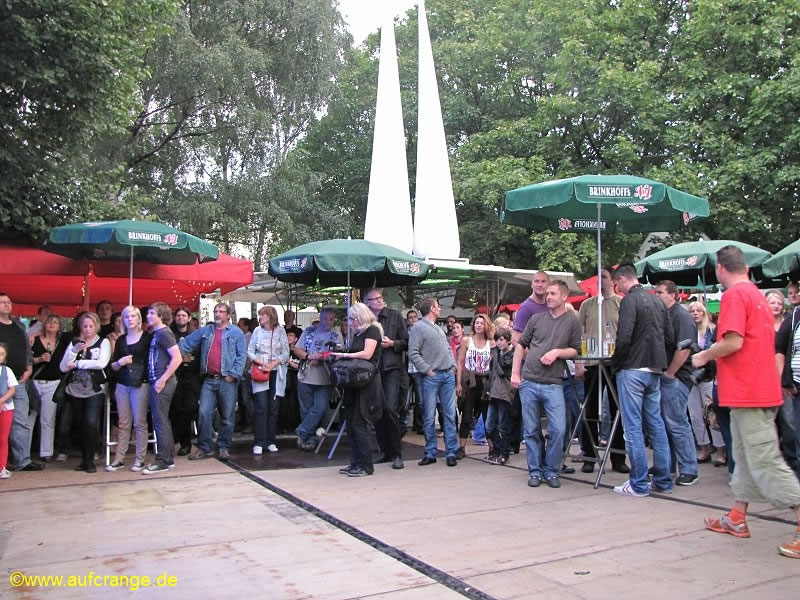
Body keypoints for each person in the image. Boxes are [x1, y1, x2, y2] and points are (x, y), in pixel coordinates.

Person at [694, 245, 800, 558]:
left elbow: (733, 341)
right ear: (746, 268)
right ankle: (737, 517)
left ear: (720, 269)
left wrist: (703, 356)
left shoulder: (735, 295)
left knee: (766, 461)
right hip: (753, 392)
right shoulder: (756, 295)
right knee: (743, 456)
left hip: (750, 393)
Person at [610, 264, 674, 497]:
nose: (616, 288)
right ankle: (663, 480)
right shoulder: (657, 300)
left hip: (633, 368)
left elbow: (623, 337)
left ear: (622, 279)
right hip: (654, 368)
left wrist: (616, 363)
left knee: (633, 427)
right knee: (656, 425)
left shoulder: (630, 300)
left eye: (616, 284)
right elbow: (670, 338)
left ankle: (638, 483)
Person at [511, 279, 581, 489]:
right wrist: (515, 373)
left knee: (558, 429)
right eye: (547, 293)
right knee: (531, 430)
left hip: (554, 382)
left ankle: (551, 470)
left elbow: (576, 349)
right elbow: (520, 345)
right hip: (529, 380)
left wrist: (557, 352)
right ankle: (535, 470)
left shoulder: (572, 321)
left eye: (553, 293)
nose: (548, 297)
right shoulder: (536, 318)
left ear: (564, 297)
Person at [178, 302, 246, 460]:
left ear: (227, 315)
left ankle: (223, 447)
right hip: (209, 380)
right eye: (216, 311)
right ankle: (205, 447)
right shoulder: (206, 331)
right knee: (203, 413)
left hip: (227, 380)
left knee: (227, 416)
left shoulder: (236, 332)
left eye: (221, 311)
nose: (217, 314)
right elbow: (186, 343)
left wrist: (233, 375)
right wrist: (172, 351)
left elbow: (242, 356)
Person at [577, 266, 629, 474]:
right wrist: (579, 362)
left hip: (614, 362)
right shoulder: (587, 305)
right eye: (599, 277)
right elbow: (579, 332)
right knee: (589, 409)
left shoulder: (621, 303)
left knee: (617, 409)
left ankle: (618, 457)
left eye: (605, 277)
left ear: (613, 280)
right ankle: (589, 456)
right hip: (592, 362)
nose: (601, 281)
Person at [330, 302, 385, 477]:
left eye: (353, 319)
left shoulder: (372, 330)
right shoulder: (359, 333)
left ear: (361, 317)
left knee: (359, 424)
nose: (351, 322)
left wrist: (345, 355)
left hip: (367, 383)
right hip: (355, 384)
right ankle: (355, 462)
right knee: (351, 425)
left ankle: (366, 465)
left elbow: (367, 354)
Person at [654, 280, 700, 485]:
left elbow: (684, 348)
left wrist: (671, 373)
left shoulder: (681, 316)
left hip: (678, 376)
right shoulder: (665, 315)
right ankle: (667, 465)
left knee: (677, 422)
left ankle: (689, 469)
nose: (656, 295)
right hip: (667, 375)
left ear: (672, 295)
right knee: (665, 423)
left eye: (660, 292)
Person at [408, 297, 459, 467]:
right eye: (438, 306)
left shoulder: (438, 328)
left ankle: (451, 452)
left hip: (446, 374)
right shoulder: (418, 328)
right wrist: (427, 370)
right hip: (432, 376)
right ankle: (431, 452)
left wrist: (452, 366)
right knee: (429, 416)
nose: (440, 309)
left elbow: (447, 348)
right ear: (431, 308)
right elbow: (413, 352)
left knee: (449, 415)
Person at [58, 312, 111, 473]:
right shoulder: (75, 342)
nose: (87, 329)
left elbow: (101, 363)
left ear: (96, 326)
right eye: (85, 326)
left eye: (91, 326)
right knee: (80, 424)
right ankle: (84, 458)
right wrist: (74, 351)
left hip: (94, 389)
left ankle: (90, 459)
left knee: (91, 421)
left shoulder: (103, 342)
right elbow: (63, 366)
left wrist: (78, 363)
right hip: (75, 389)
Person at [363, 288, 406, 470]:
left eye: (380, 297)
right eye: (375, 299)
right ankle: (384, 451)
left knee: (390, 409)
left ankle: (396, 453)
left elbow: (407, 341)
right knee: (377, 411)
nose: (379, 300)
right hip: (373, 370)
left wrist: (393, 343)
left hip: (392, 369)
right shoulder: (366, 320)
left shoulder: (395, 316)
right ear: (367, 303)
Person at [106, 306, 152, 472]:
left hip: (141, 382)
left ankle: (140, 459)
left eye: (133, 316)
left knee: (140, 422)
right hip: (122, 383)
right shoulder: (121, 340)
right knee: (123, 422)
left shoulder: (147, 338)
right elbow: (113, 366)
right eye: (126, 317)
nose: (130, 319)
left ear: (139, 319)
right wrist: (120, 362)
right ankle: (119, 458)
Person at [0, 293, 42, 472]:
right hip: (1, 381)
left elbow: (26, 350)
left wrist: (29, 367)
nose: (6, 305)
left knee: (21, 421)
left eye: (8, 302)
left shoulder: (19, 325)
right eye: (2, 302)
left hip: (19, 380)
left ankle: (22, 460)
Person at [293, 307, 343, 450]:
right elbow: (297, 349)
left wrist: (322, 357)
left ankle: (302, 431)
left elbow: (338, 354)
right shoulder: (309, 331)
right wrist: (308, 356)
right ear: (320, 319)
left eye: (331, 319)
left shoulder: (336, 335)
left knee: (320, 408)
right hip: (305, 376)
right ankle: (310, 439)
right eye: (325, 319)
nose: (328, 322)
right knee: (306, 410)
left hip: (324, 377)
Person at [687, 301, 726, 466]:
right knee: (695, 416)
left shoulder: (712, 330)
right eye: (692, 311)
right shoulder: (687, 331)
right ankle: (704, 449)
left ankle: (721, 452)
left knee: (712, 414)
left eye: (698, 310)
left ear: (704, 313)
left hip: (708, 377)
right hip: (691, 378)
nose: (695, 313)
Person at [248, 306, 289, 455]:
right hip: (261, 371)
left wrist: (273, 364)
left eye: (263, 315)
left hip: (276, 372)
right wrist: (262, 363)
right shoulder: (257, 331)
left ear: (270, 316)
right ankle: (259, 441)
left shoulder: (280, 331)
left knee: (273, 408)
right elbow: (250, 351)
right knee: (261, 407)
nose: (260, 317)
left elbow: (286, 352)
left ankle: (271, 440)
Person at [455, 314, 494, 459]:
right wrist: (458, 383)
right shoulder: (466, 341)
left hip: (485, 381)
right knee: (466, 415)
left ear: (486, 326)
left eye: (482, 323)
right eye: (477, 323)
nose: (479, 325)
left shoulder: (491, 342)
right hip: (469, 381)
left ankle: (492, 447)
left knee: (487, 415)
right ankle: (461, 447)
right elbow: (460, 363)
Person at [30, 314, 68, 462]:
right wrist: (39, 359)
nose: (52, 324)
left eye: (55, 322)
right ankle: (25, 451)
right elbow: (27, 359)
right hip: (34, 382)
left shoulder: (62, 343)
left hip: (53, 383)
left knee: (48, 419)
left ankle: (46, 452)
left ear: (59, 326)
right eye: (49, 322)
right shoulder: (34, 340)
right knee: (30, 418)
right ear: (44, 324)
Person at [169, 307, 200, 455]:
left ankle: (181, 438)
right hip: (175, 375)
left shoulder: (195, 335)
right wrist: (180, 359)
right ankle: (184, 443)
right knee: (176, 409)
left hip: (192, 376)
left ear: (189, 318)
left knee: (190, 408)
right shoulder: (170, 335)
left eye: (183, 315)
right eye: (178, 315)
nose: (181, 318)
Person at [486, 328, 514, 465]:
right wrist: (487, 389)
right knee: (489, 425)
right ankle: (496, 450)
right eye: (497, 340)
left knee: (503, 425)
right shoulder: (495, 353)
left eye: (501, 340)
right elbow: (491, 373)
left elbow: (503, 370)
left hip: (505, 392)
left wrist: (496, 355)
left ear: (508, 341)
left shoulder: (511, 355)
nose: (498, 343)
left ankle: (504, 453)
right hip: (493, 392)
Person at [0, 343, 18, 479]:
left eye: (1, 354)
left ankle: (1, 467)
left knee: (3, 438)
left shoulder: (7, 371)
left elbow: (12, 389)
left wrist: (1, 401)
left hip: (5, 408)